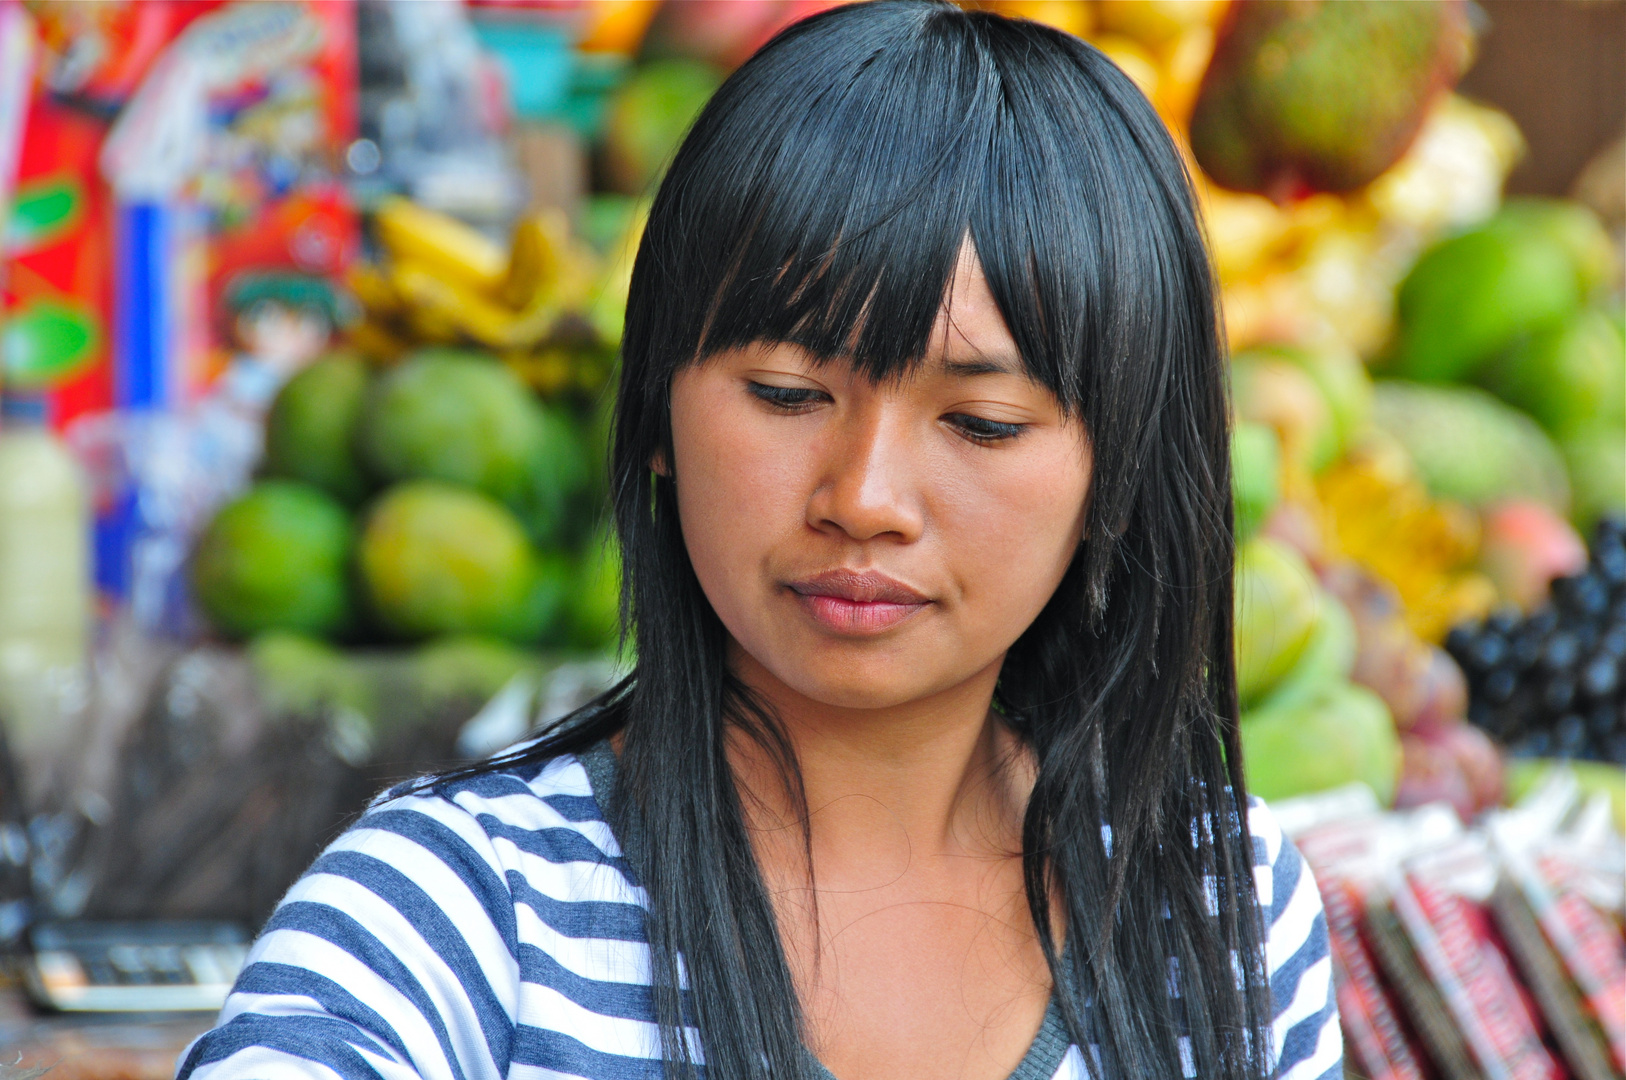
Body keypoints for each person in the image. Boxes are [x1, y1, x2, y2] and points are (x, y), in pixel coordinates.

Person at [177, 4, 1341, 1079]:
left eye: (981, 421)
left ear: (1123, 473)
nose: (865, 497)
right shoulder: (453, 915)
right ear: (659, 418)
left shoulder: (1219, 909)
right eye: (786, 392)